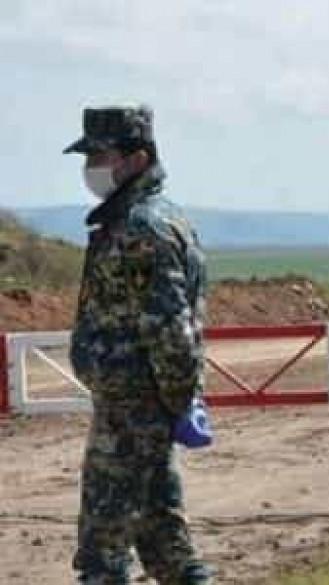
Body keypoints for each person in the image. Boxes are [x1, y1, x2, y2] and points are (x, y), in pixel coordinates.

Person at [64, 105, 211, 584]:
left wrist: (176, 401)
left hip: (132, 414)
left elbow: (169, 329)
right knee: (164, 542)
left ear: (138, 159)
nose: (92, 168)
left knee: (103, 554)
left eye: (101, 156)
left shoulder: (141, 228)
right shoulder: (147, 219)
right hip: (136, 408)